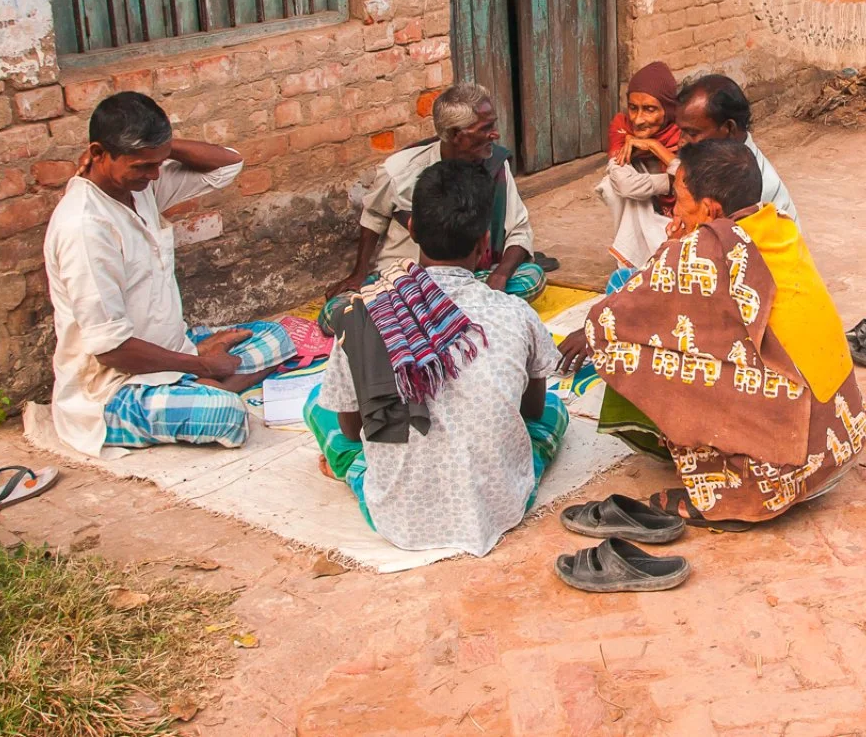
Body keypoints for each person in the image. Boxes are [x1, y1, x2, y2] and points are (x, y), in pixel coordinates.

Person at [562, 139, 866, 529]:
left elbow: (618, 317)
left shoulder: (704, 250)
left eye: (679, 199)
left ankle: (735, 488)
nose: (673, 208)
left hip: (791, 466)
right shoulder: (777, 225)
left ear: (711, 210)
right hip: (839, 438)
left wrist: (672, 248)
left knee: (624, 344)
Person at [304, 159, 568, 556]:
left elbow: (349, 428)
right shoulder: (515, 312)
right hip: (499, 506)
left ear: (411, 230)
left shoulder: (363, 316)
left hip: (400, 516)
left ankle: (349, 471)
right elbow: (531, 409)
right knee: (554, 411)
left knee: (319, 408)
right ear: (483, 243)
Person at [43, 92, 295, 455]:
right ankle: (210, 385)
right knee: (225, 415)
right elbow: (111, 350)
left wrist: (162, 146)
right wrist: (201, 362)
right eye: (142, 165)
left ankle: (199, 381)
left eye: (158, 163)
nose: (154, 175)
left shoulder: (141, 186)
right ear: (98, 153)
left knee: (277, 335)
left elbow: (229, 164)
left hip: (174, 351)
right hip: (115, 390)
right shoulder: (85, 228)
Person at [328, 84, 543, 303]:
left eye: (493, 125)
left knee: (531, 279)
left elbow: (519, 230)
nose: (495, 134)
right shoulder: (400, 170)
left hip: (469, 279)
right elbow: (374, 215)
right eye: (484, 128)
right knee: (338, 306)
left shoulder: (495, 166)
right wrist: (359, 274)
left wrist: (500, 276)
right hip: (407, 282)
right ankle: (453, 310)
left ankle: (431, 313)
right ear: (454, 134)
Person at [674, 74, 799, 227]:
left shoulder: (749, 184)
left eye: (692, 133)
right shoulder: (720, 163)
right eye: (681, 131)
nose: (682, 141)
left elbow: (728, 242)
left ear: (729, 128)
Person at [596, 61, 683, 271]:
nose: (638, 120)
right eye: (633, 108)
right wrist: (672, 182)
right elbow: (623, 183)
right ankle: (631, 260)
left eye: (650, 110)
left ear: (668, 109)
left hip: (681, 210)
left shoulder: (684, 130)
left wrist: (654, 146)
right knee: (611, 186)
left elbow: (695, 181)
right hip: (651, 199)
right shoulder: (621, 126)